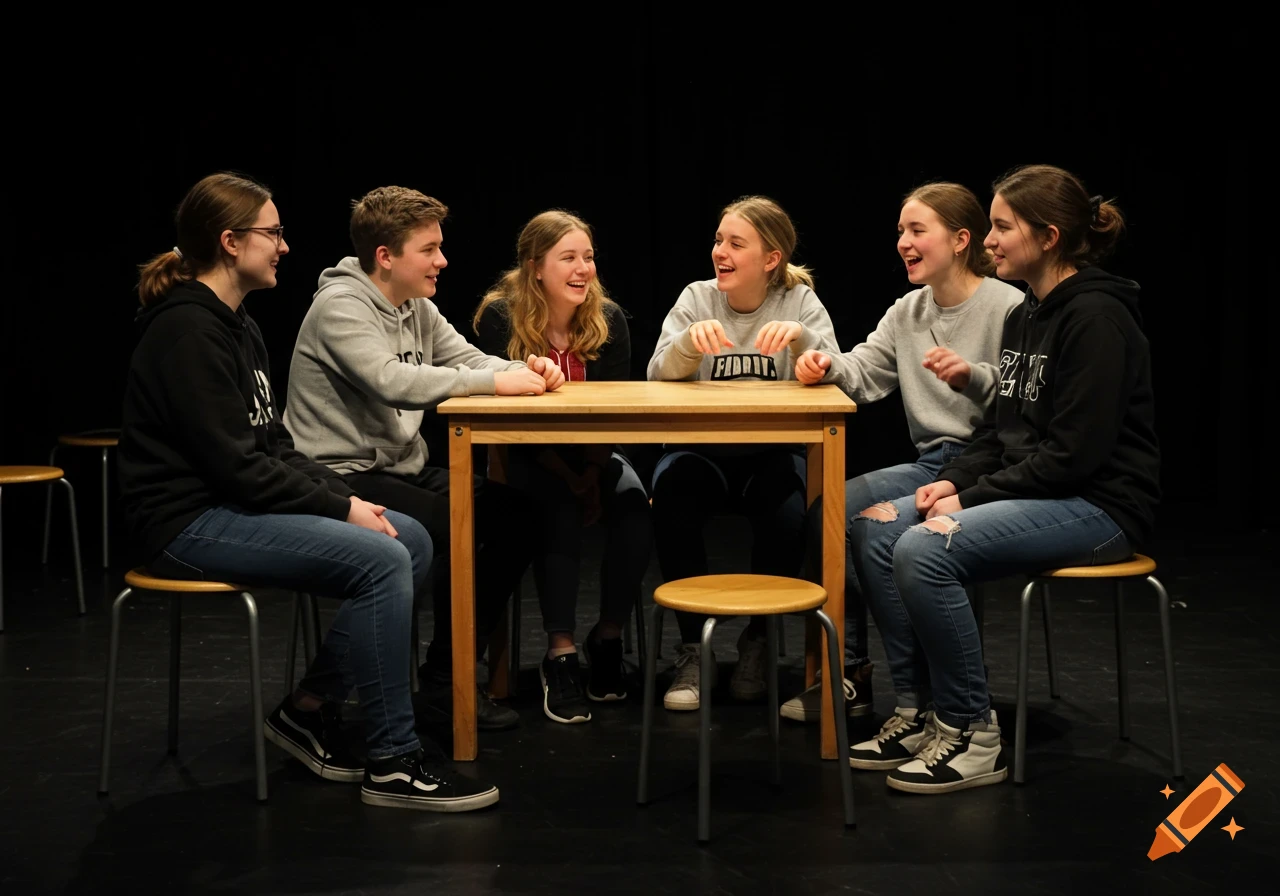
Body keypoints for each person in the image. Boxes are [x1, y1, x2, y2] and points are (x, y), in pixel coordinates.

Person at [118, 172, 497, 811]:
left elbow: (276, 446)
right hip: (185, 522)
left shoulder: (238, 326)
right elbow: (237, 469)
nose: (284, 246)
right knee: (385, 557)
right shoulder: (186, 332)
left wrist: (352, 502)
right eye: (273, 233)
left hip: (230, 503)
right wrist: (340, 504)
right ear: (231, 242)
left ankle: (307, 709)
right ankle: (392, 761)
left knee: (410, 538)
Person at [844, 163, 1160, 794]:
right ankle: (920, 709)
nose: (989, 240)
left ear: (1048, 237)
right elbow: (999, 431)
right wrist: (953, 480)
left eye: (1001, 227)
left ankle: (972, 731)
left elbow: (1073, 456)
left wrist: (969, 496)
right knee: (877, 529)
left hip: (1099, 506)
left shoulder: (1097, 319)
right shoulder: (1027, 317)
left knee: (924, 549)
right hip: (1043, 489)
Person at [282, 186, 563, 734]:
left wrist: (526, 369)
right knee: (442, 529)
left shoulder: (417, 307)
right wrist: (496, 383)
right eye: (429, 249)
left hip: (401, 468)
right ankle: (322, 693)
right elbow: (392, 380)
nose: (443, 260)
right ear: (385, 256)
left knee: (519, 516)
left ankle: (444, 677)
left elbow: (468, 359)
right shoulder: (340, 305)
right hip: (340, 475)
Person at [785, 183, 1022, 723]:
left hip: (991, 461)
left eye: (918, 230)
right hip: (932, 461)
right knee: (828, 514)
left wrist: (971, 376)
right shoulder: (909, 311)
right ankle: (850, 673)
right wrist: (823, 362)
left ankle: (925, 693)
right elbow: (864, 371)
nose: (904, 243)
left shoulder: (1007, 307)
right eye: (900, 232)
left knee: (877, 531)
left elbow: (1021, 400)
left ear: (961, 240)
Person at [646, 195, 840, 710]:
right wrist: (688, 344)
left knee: (791, 512)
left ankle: (758, 639)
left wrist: (804, 348)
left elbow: (833, 370)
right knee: (671, 495)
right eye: (718, 240)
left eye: (735, 243)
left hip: (770, 454)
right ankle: (693, 649)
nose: (720, 252)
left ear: (771, 258)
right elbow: (656, 373)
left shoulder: (798, 302)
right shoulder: (697, 297)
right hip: (700, 452)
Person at [472, 210, 653, 724]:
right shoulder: (502, 316)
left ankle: (608, 638)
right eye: (568, 258)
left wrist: (591, 472)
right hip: (525, 453)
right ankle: (561, 653)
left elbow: (613, 412)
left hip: (596, 452)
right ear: (535, 267)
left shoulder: (608, 319)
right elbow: (508, 423)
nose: (582, 269)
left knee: (635, 507)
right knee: (558, 506)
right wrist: (573, 480)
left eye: (588, 257)